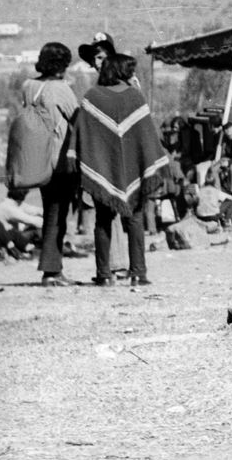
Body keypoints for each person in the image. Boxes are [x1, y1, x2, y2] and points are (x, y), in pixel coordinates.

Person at [75, 53, 167, 287]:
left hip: (101, 170)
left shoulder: (91, 97)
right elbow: (147, 138)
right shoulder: (135, 97)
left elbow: (81, 137)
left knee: (103, 221)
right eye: (129, 70)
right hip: (134, 171)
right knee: (135, 220)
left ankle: (104, 274)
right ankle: (138, 273)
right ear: (121, 71)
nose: (132, 74)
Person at [23, 41, 81, 284]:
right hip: (60, 160)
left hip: (38, 158)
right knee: (59, 214)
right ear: (62, 65)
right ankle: (52, 270)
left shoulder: (28, 86)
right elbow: (78, 118)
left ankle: (51, 267)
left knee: (50, 211)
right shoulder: (61, 89)